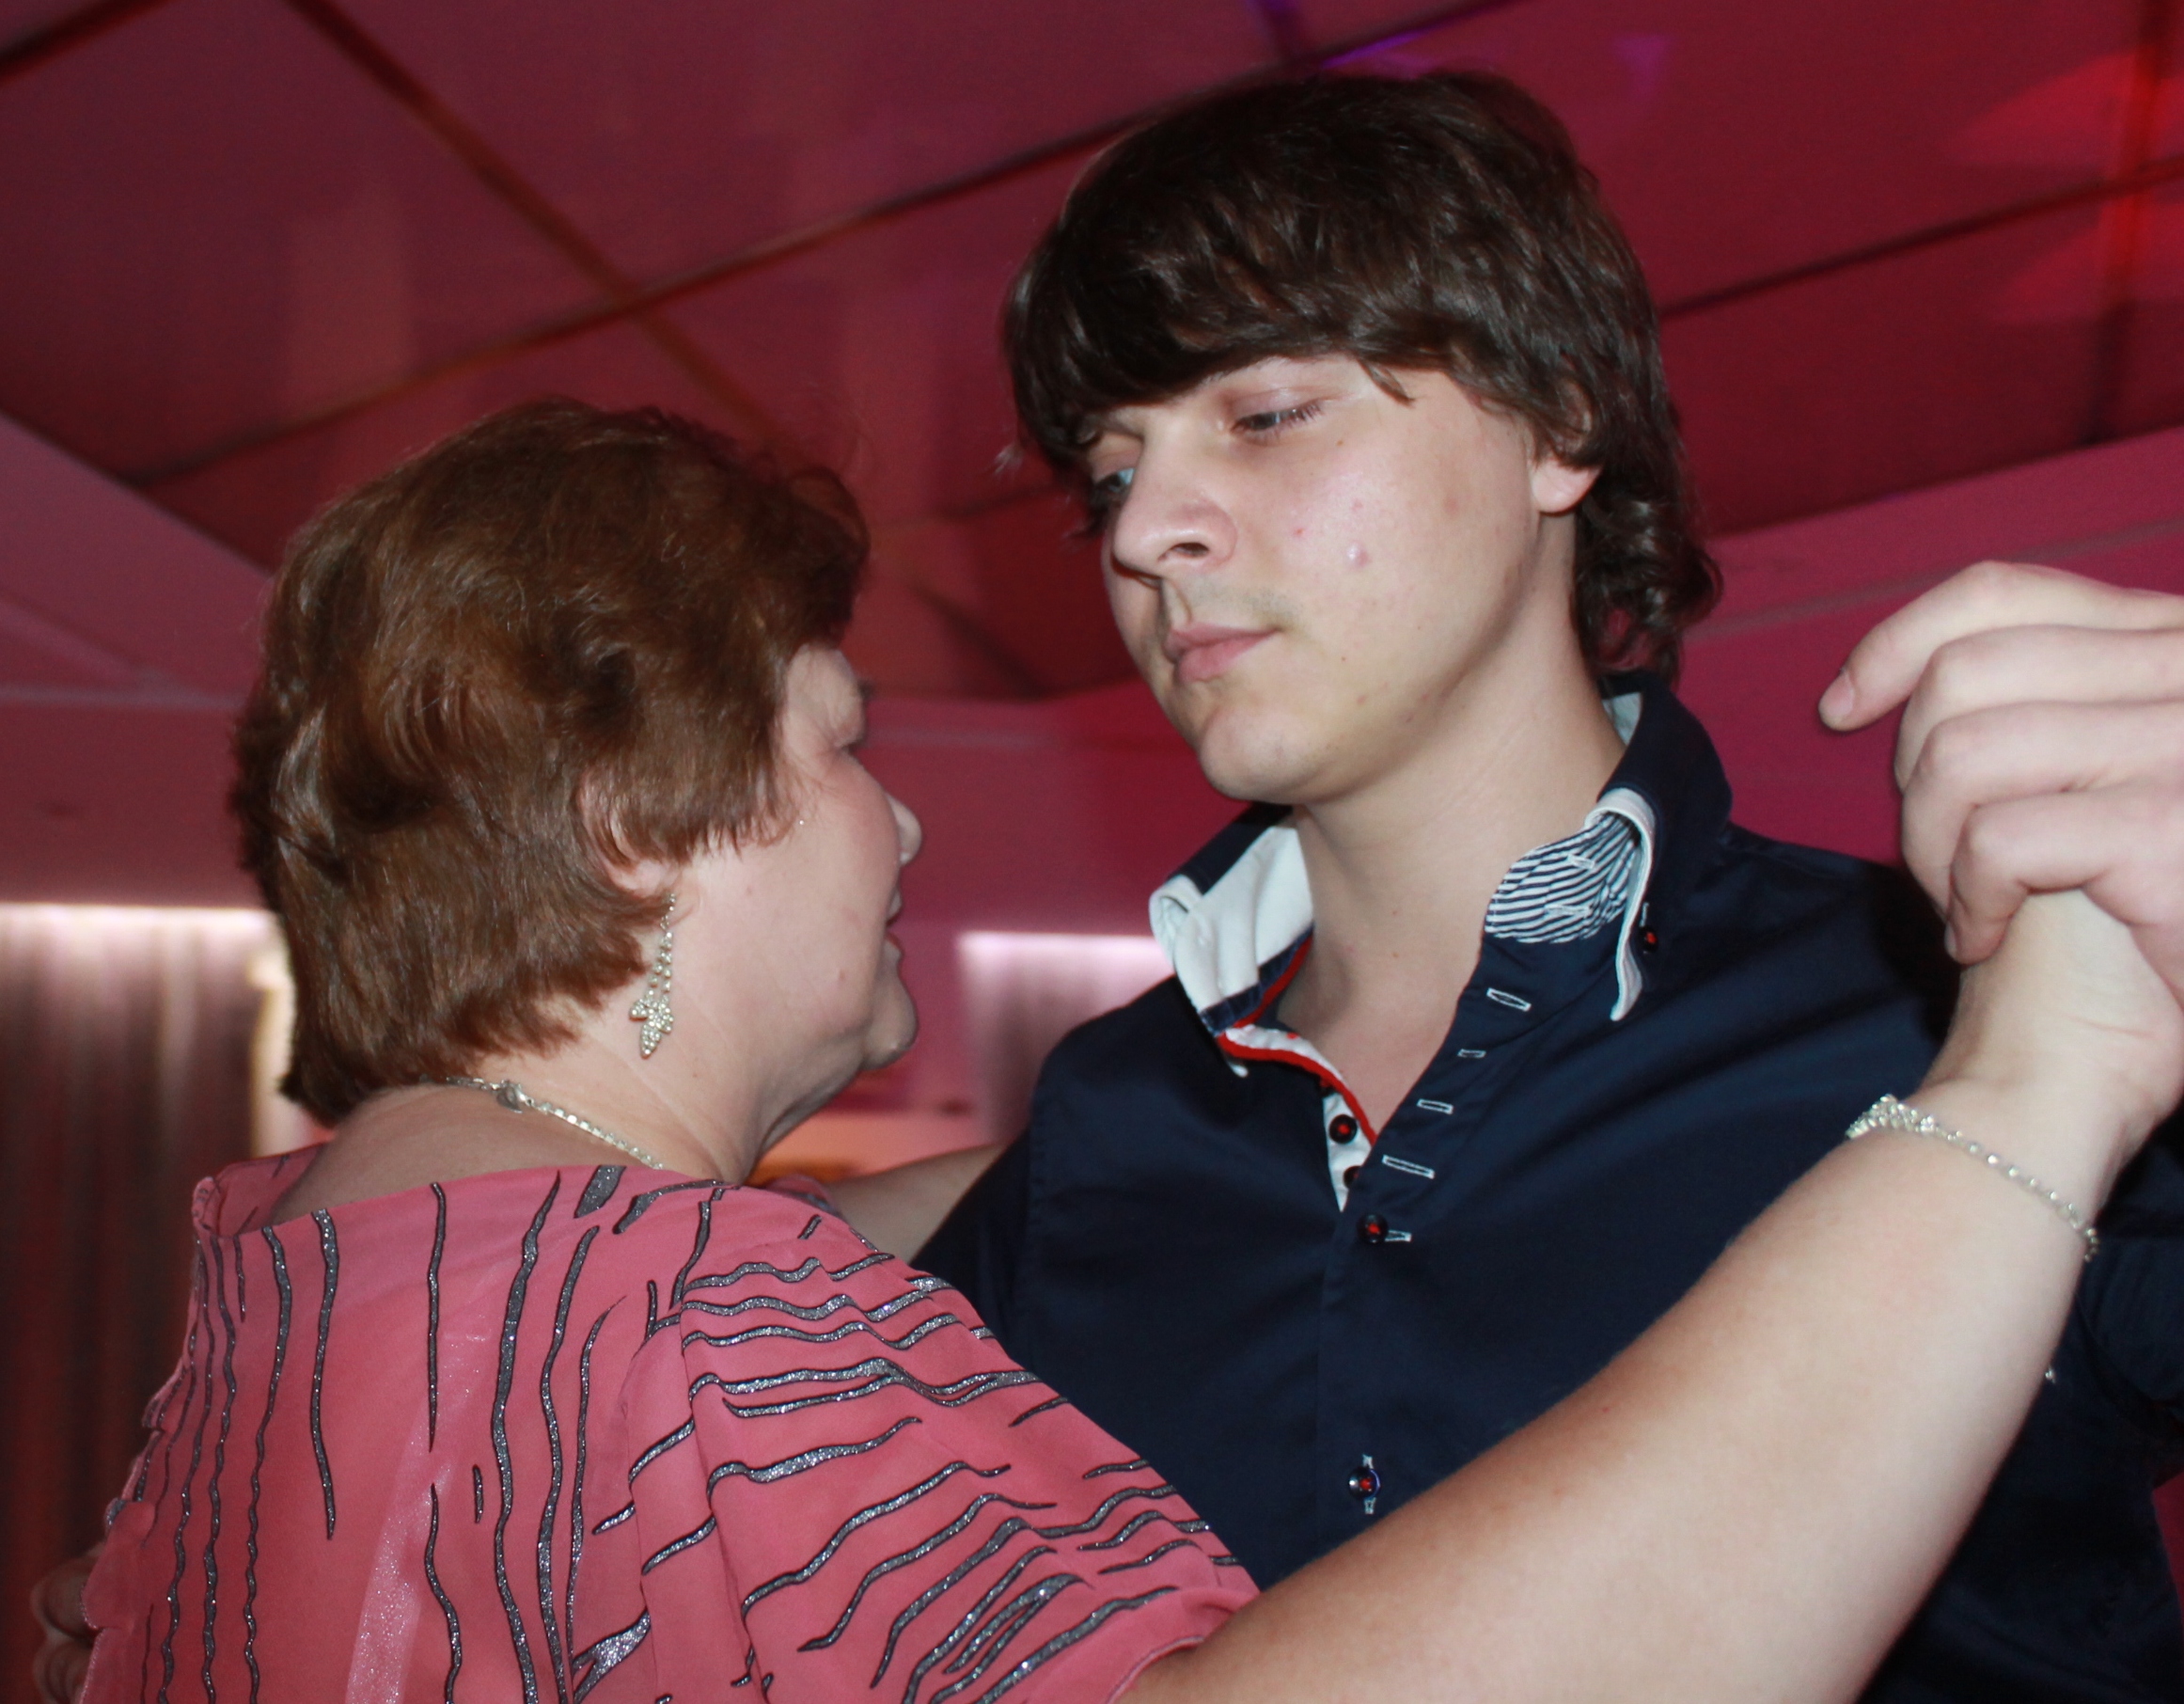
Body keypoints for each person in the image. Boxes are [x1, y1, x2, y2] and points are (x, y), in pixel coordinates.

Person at [49, 397, 2184, 1704]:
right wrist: (2027, 1089)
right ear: (636, 827)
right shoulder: (728, 1334)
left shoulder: (274, 1300)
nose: (901, 828)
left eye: (1269, 417)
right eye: (844, 749)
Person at [916, 71, 2184, 1701]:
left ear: (1561, 423)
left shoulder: (1969, 1011)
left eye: (1265, 415)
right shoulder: (1097, 1129)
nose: (1147, 529)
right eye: (1110, 475)